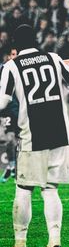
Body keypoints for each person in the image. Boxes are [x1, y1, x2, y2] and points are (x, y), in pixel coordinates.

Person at [0, 24, 69, 247]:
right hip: (59, 134)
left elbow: (2, 102)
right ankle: (54, 244)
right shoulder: (54, 58)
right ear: (36, 40)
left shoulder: (12, 65)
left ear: (15, 45)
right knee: (50, 189)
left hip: (32, 135)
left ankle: (20, 245)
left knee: (23, 189)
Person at [0, 48, 18, 183]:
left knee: (21, 141)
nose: (14, 57)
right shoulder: (3, 70)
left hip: (22, 108)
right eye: (12, 54)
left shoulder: (21, 68)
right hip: (8, 109)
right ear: (7, 56)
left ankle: (11, 167)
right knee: (10, 139)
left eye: (16, 54)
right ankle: (12, 165)